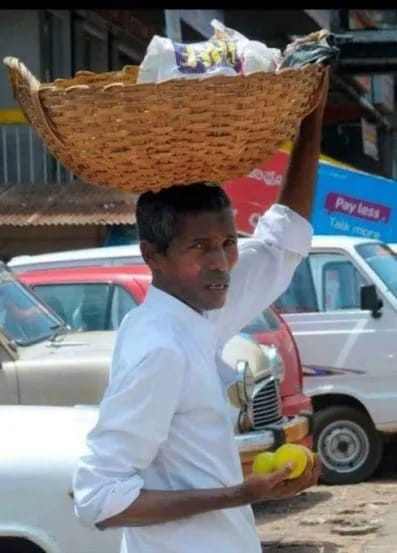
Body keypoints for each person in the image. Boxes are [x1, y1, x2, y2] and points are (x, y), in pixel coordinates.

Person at [72, 70, 329, 553]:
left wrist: (311, 117)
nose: (221, 261)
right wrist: (240, 493)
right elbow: (98, 499)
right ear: (153, 255)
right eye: (200, 246)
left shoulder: (202, 314)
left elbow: (280, 242)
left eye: (229, 242)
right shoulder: (161, 349)